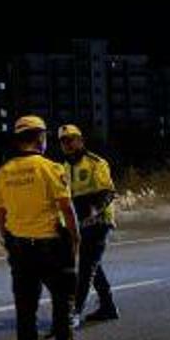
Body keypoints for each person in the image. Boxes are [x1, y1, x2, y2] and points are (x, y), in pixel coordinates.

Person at [0, 115, 94, 340]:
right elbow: (66, 208)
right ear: (40, 138)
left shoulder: (2, 173)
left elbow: (0, 215)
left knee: (25, 305)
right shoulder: (51, 168)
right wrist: (75, 238)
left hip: (20, 248)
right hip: (51, 246)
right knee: (63, 301)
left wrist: (9, 240)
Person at [57, 124, 119, 323]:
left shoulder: (95, 162)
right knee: (93, 264)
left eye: (71, 139)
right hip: (80, 223)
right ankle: (108, 306)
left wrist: (93, 211)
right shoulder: (63, 168)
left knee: (85, 266)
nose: (68, 144)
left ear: (80, 140)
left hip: (99, 221)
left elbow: (108, 192)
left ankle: (74, 312)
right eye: (63, 141)